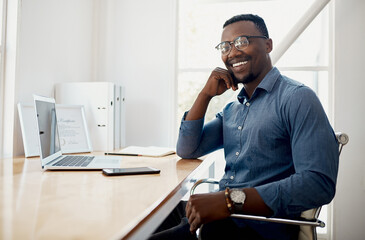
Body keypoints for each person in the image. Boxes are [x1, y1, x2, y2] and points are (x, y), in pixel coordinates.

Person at [149, 14, 339, 240]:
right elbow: (187, 148)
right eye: (225, 46)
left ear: (268, 44)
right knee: (153, 216)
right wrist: (205, 95)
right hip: (222, 219)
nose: (232, 52)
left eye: (242, 42)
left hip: (258, 227)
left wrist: (229, 200)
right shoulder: (233, 110)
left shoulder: (297, 98)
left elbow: (317, 184)